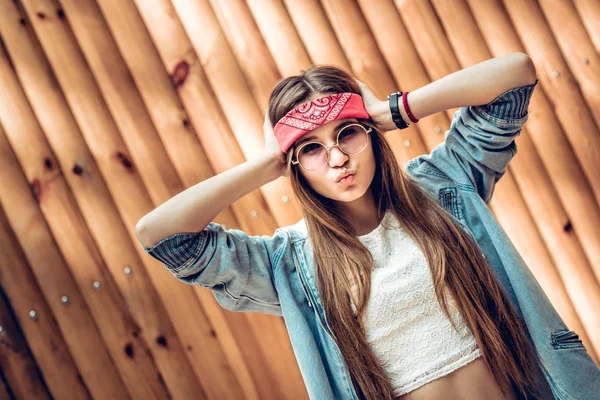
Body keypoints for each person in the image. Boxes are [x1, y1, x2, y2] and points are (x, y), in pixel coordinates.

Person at [136, 53, 600, 400]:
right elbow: (161, 236)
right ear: (294, 165)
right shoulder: (291, 263)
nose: (337, 158)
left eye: (348, 133)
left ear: (372, 134)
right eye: (311, 149)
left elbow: (515, 74)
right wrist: (267, 163)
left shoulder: (444, 187)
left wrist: (397, 109)